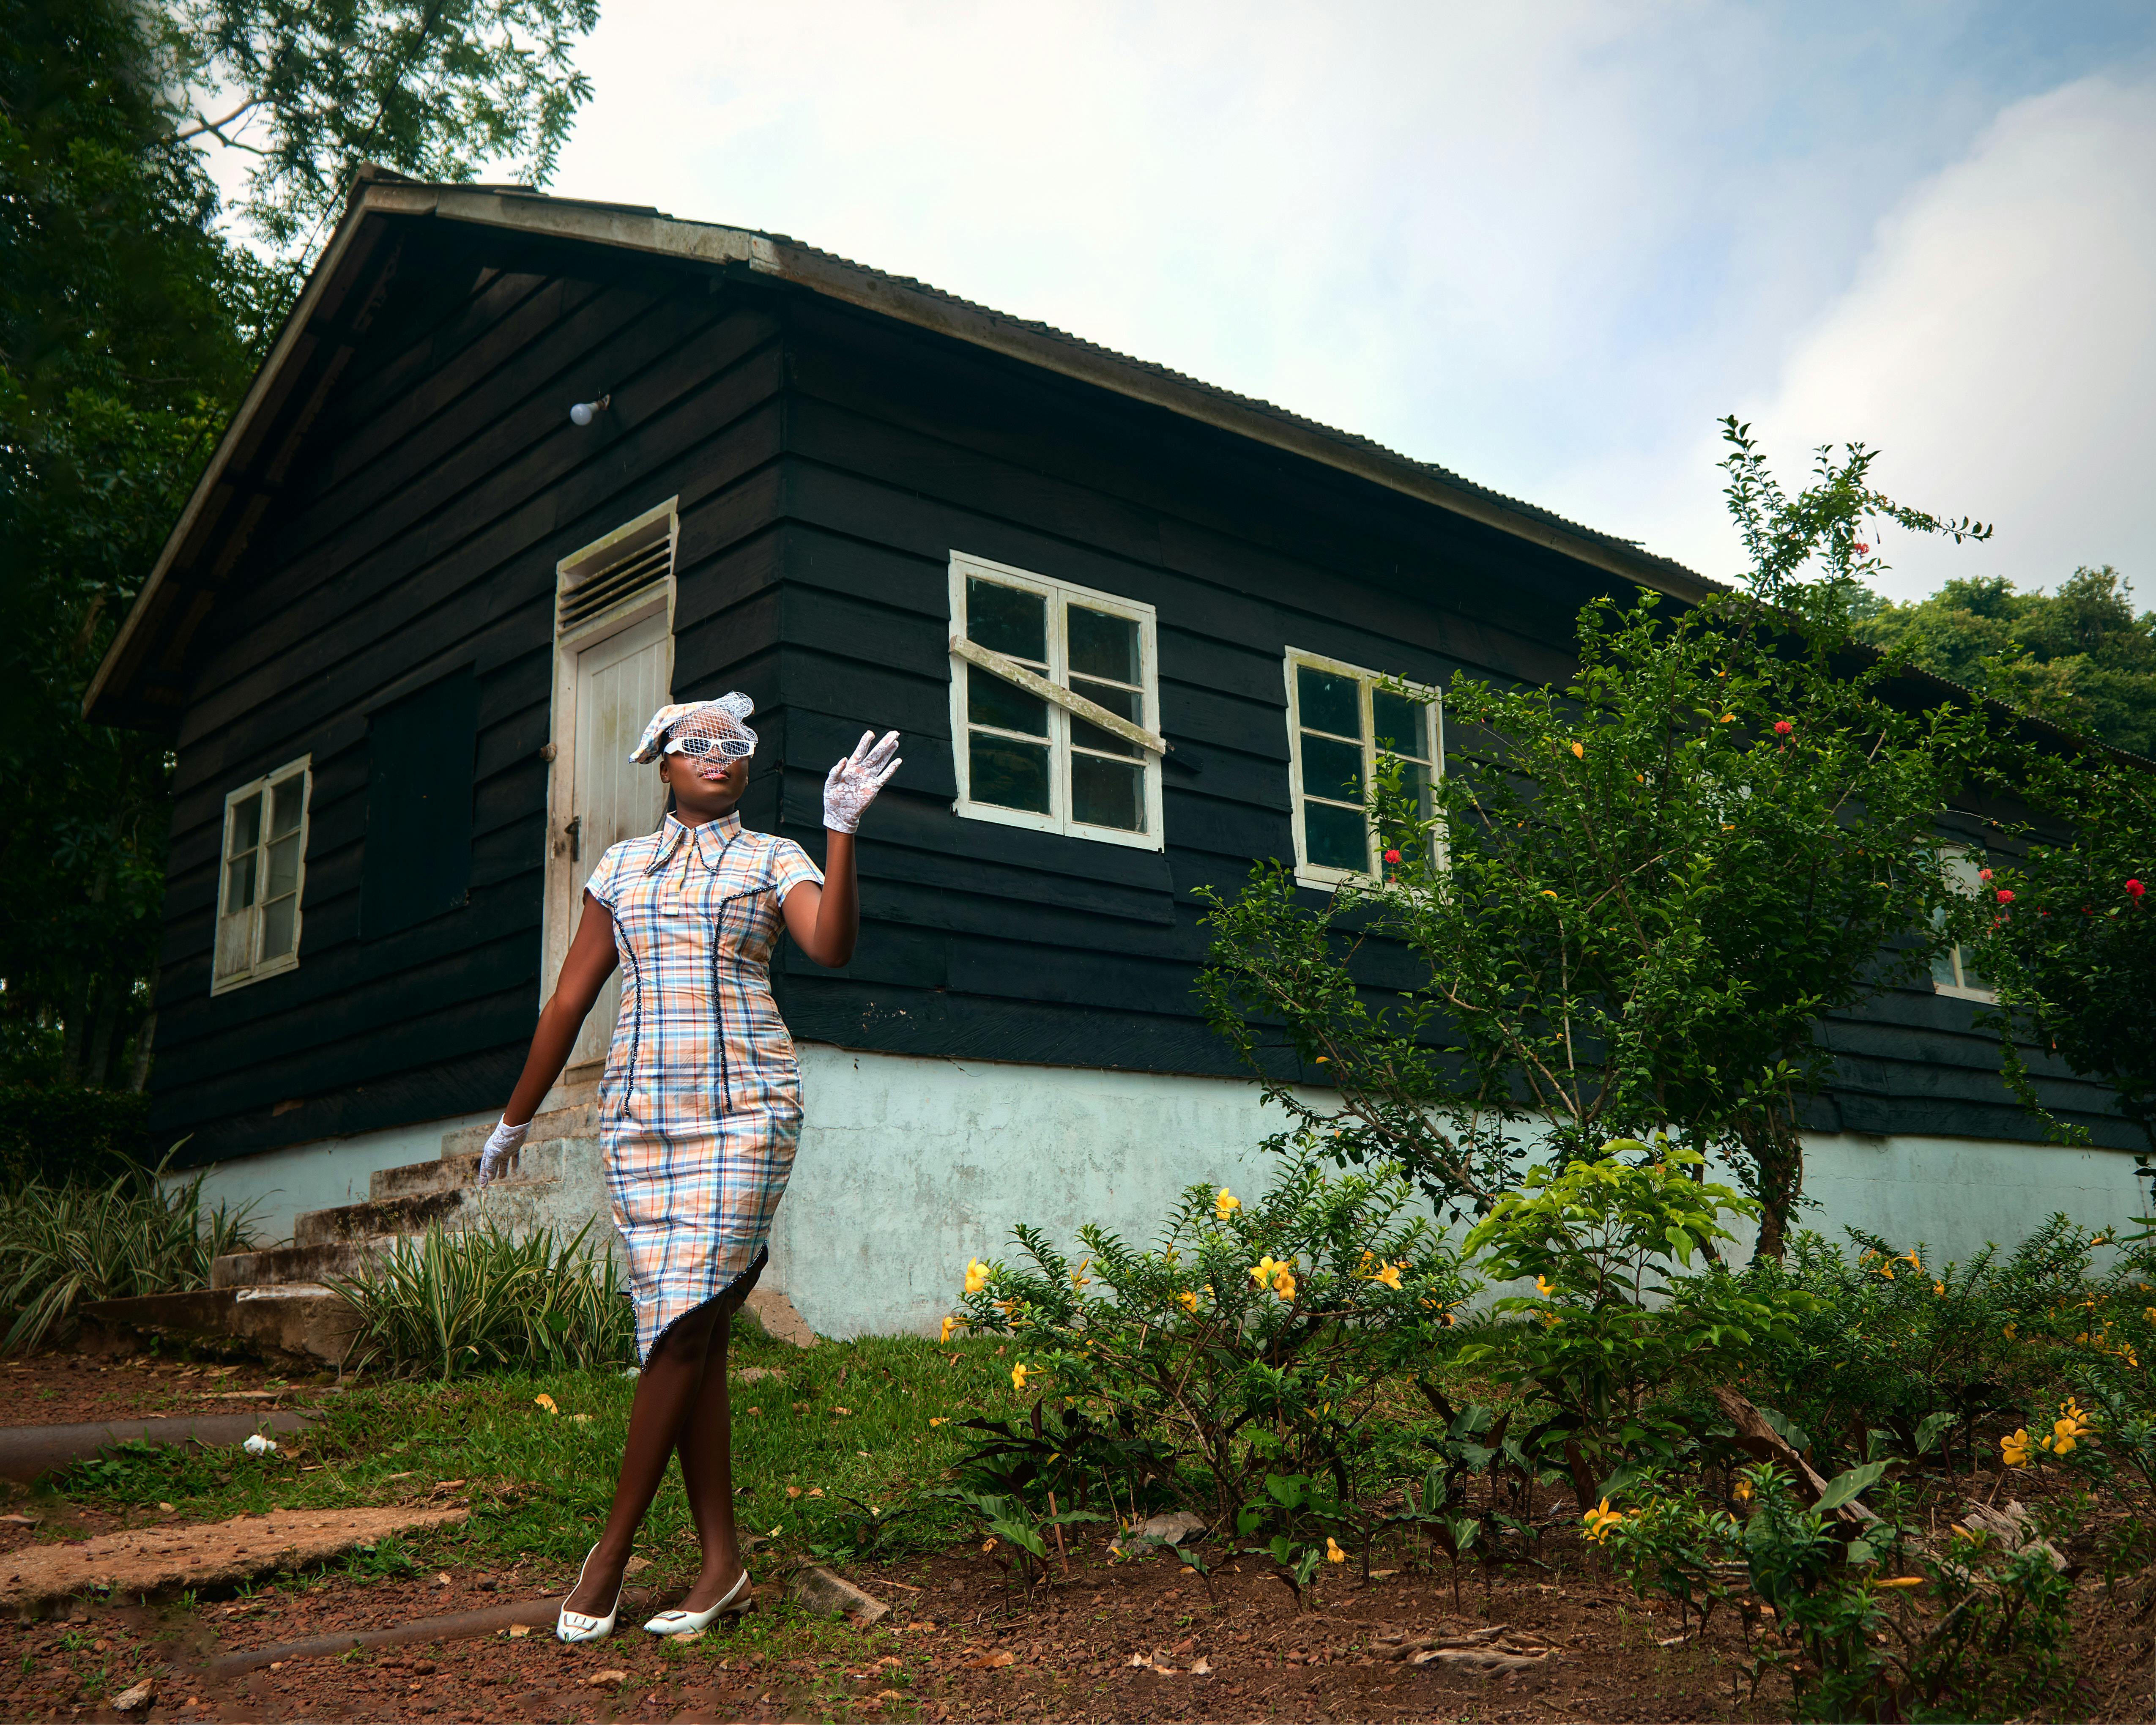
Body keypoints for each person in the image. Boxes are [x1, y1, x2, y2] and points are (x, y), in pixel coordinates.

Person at [474, 694, 900, 1643]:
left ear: (748, 767)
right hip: (642, 1121)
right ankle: (721, 1565)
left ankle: (611, 1553)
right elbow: (569, 1001)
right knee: (692, 1329)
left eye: (732, 747)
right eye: (693, 745)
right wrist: (514, 1119)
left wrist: (838, 832)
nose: (715, 756)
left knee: (681, 1329)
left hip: (748, 1110)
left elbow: (830, 943)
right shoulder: (621, 869)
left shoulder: (773, 858)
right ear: (660, 763)